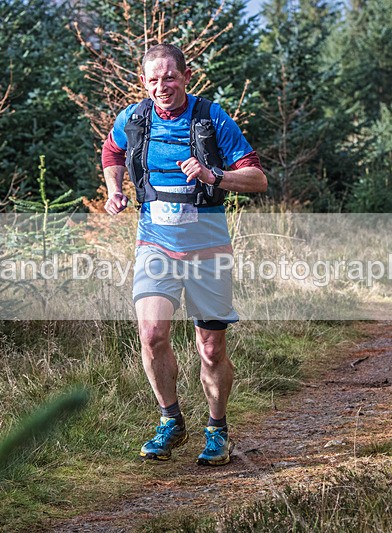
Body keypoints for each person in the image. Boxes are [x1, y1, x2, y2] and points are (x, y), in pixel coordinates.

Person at [101, 43, 267, 466]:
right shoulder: (133, 119)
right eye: (154, 79)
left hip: (208, 248)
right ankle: (170, 421)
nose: (162, 86)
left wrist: (216, 175)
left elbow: (258, 179)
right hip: (155, 244)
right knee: (152, 334)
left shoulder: (211, 119)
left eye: (170, 77)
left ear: (187, 76)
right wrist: (115, 190)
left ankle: (217, 428)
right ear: (143, 82)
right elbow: (112, 151)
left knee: (210, 347)